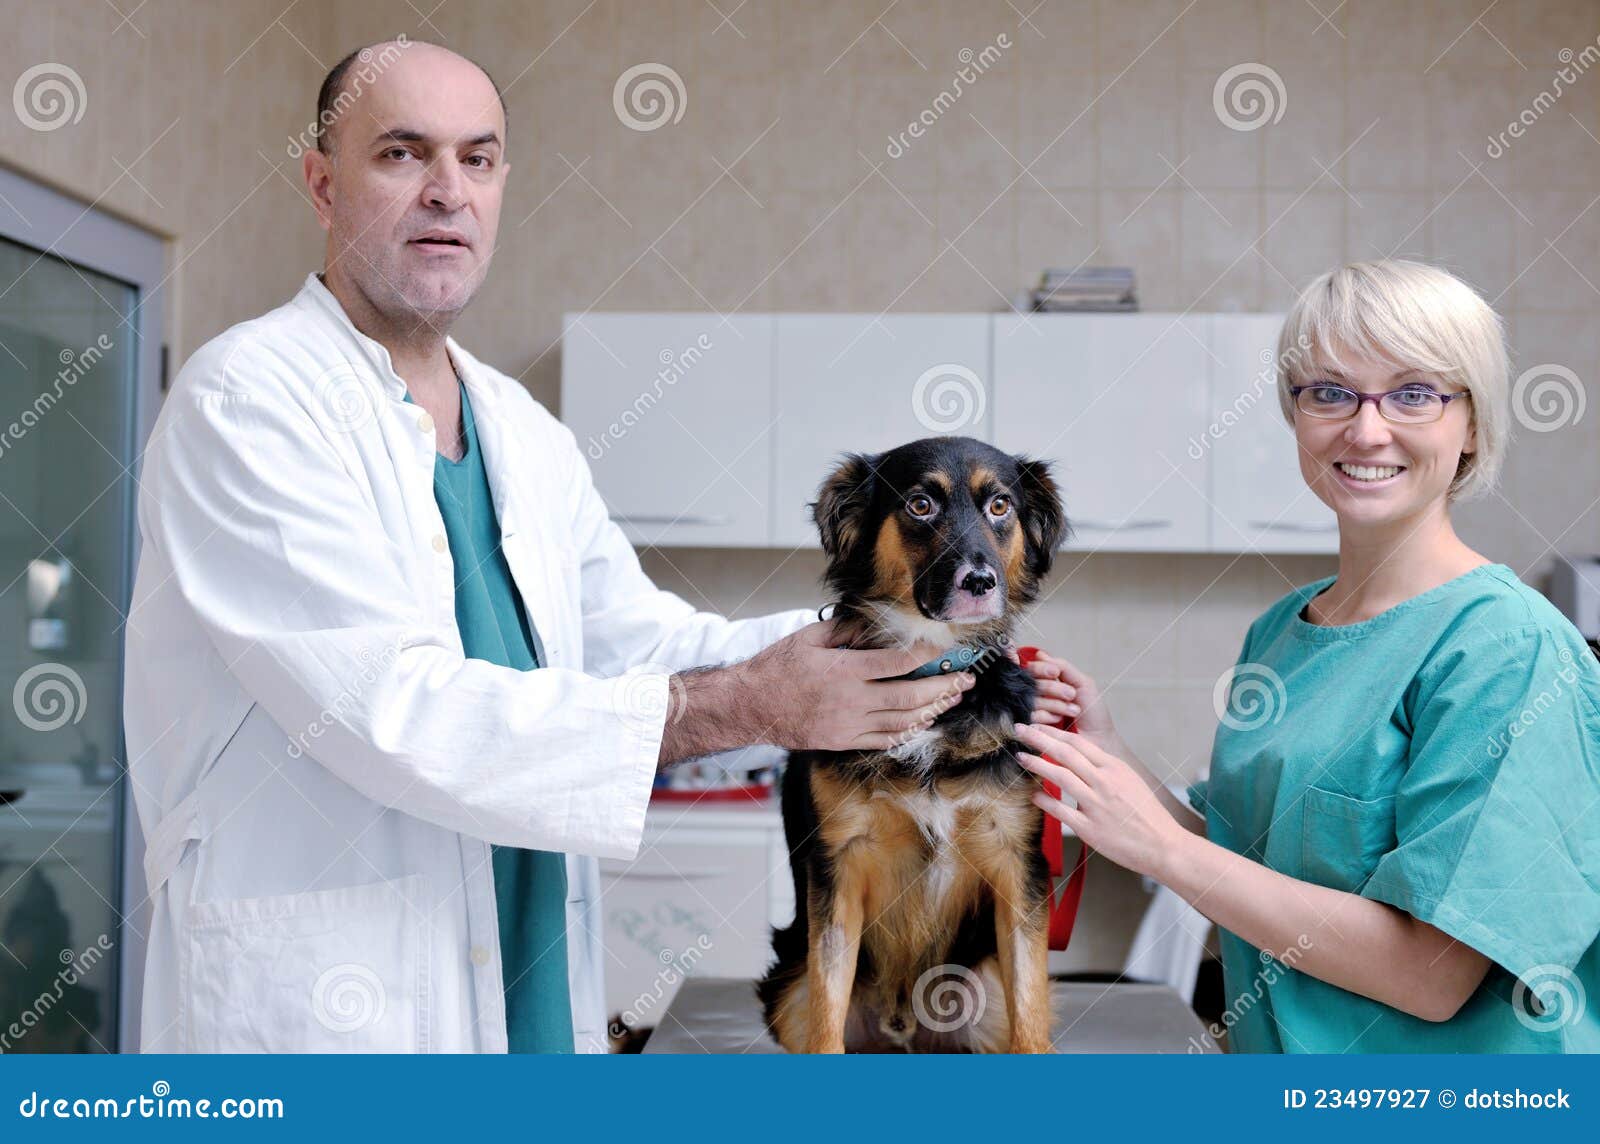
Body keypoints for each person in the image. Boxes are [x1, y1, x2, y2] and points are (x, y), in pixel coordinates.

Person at [123, 41, 972, 1053]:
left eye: (477, 160)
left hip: (524, 991)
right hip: (336, 1010)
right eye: (402, 154)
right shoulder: (249, 400)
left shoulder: (519, 427)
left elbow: (643, 642)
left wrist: (887, 640)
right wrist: (749, 704)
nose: (447, 191)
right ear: (321, 181)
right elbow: (387, 708)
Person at [1017, 259, 1600, 1051]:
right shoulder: (1283, 631)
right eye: (1329, 392)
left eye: (1415, 392)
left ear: (1473, 423)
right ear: (1295, 415)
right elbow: (1243, 871)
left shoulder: (1509, 650)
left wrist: (1163, 849)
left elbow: (1430, 974)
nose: (1365, 429)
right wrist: (1109, 753)